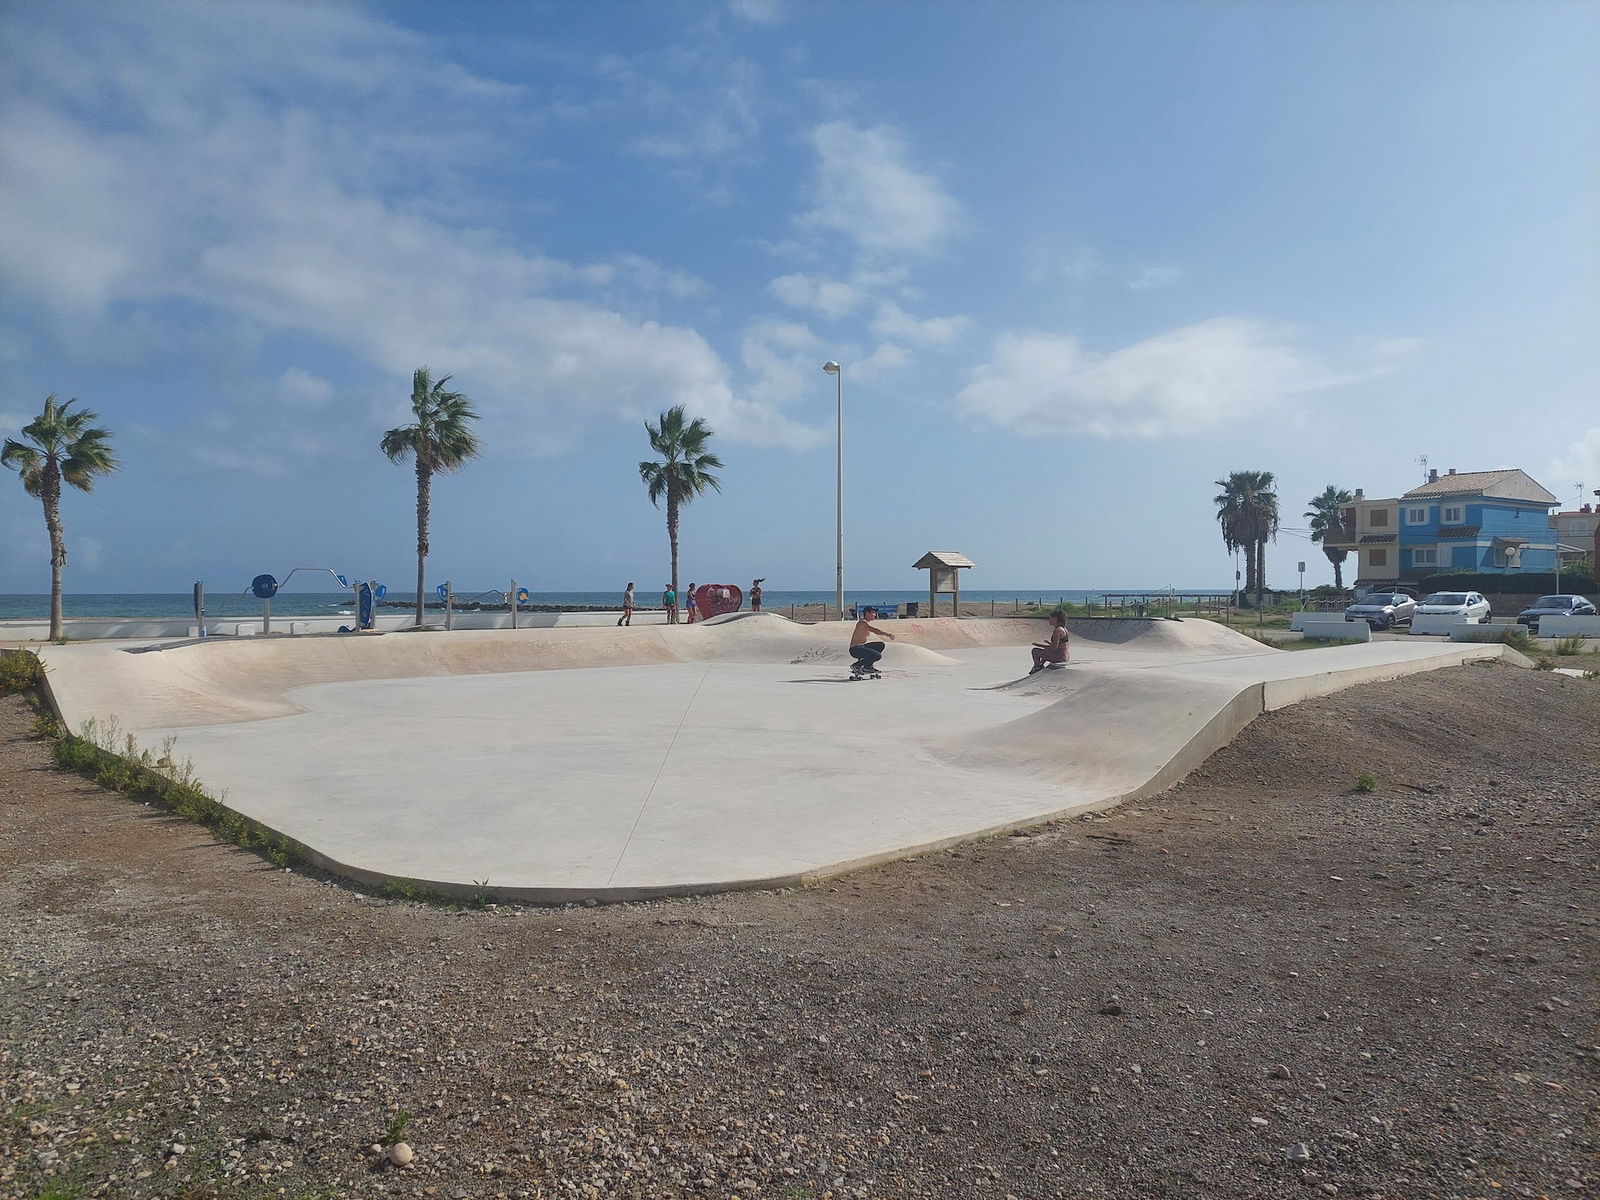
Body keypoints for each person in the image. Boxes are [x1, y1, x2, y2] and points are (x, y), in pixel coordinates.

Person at [849, 606, 896, 676]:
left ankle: (868, 666)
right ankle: (856, 665)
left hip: (861, 647)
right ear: (867, 613)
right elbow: (875, 630)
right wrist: (888, 634)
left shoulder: (864, 623)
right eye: (873, 613)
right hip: (855, 649)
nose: (875, 615)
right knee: (878, 656)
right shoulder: (862, 623)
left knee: (880, 645)